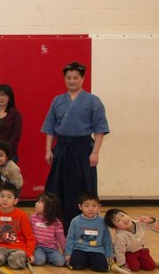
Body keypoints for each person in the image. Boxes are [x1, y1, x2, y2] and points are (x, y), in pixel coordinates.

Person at [42, 61, 110, 231]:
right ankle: (57, 226)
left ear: (82, 79)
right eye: (68, 78)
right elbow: (50, 128)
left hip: (83, 148)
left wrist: (95, 152)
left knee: (83, 187)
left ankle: (85, 225)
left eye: (75, 78)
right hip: (62, 147)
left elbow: (100, 129)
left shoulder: (93, 101)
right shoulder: (58, 101)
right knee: (57, 187)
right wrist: (48, 149)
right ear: (65, 79)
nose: (71, 81)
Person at [0, 183, 36, 270]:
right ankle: (5, 257)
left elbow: (30, 237)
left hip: (18, 247)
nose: (5, 199)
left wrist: (29, 253)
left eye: (9, 197)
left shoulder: (22, 215)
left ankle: (11, 258)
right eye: (2, 196)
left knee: (15, 263)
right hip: (2, 246)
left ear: (15, 200)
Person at [65, 192, 112, 272]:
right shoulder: (75, 221)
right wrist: (68, 254)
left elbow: (107, 240)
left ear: (99, 207)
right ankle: (85, 261)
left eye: (94, 206)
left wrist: (108, 255)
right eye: (87, 206)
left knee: (102, 267)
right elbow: (70, 238)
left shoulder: (102, 222)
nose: (91, 209)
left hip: (97, 250)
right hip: (80, 249)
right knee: (76, 264)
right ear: (80, 207)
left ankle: (91, 262)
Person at [30, 192, 66, 267]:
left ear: (48, 207)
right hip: (37, 247)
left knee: (60, 262)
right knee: (39, 260)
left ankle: (48, 258)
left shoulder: (56, 222)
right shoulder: (32, 218)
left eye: (39, 202)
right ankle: (44, 257)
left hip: (52, 248)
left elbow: (61, 238)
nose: (36, 203)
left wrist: (65, 251)